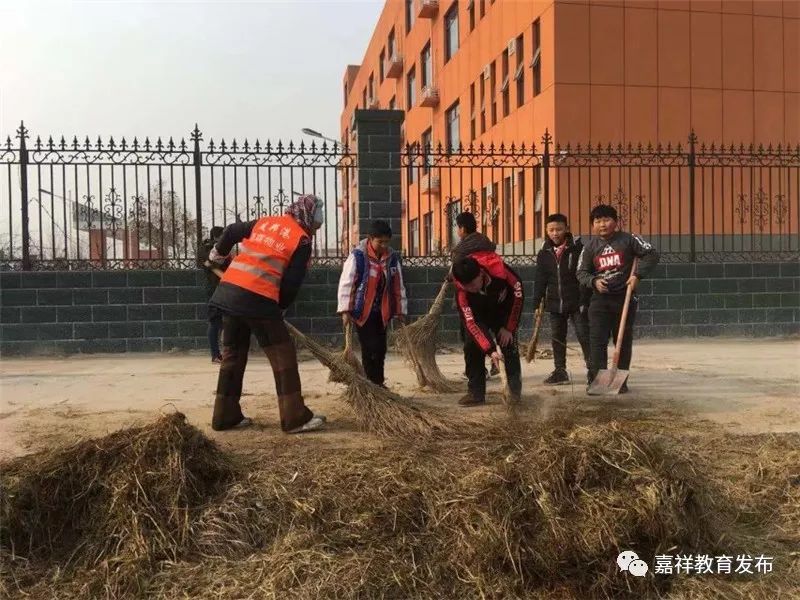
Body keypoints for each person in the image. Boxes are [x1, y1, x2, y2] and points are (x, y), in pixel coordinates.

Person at [206, 195, 326, 433]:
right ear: (308, 218)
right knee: (283, 356)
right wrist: (279, 309)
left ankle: (225, 416)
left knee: (233, 355)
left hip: (229, 294)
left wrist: (217, 255)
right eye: (315, 225)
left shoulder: (266, 222)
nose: (315, 229)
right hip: (258, 297)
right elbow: (291, 284)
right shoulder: (301, 240)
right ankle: (295, 419)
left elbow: (230, 231)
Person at [576, 204, 660, 393]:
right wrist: (594, 281)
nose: (602, 225)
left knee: (623, 340)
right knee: (597, 341)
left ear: (616, 222)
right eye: (598, 221)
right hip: (599, 301)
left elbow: (652, 254)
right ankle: (597, 380)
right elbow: (581, 272)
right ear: (593, 225)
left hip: (625, 298)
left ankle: (620, 382)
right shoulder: (590, 247)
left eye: (606, 220)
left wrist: (637, 275)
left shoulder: (629, 240)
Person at [337, 220, 407, 387]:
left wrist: (400, 310)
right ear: (370, 239)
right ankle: (371, 383)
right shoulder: (358, 256)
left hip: (382, 312)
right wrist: (345, 310)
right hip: (363, 312)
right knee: (370, 348)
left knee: (381, 349)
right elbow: (347, 283)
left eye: (386, 242)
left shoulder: (391, 258)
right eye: (379, 241)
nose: (383, 245)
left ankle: (379, 382)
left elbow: (398, 285)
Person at [451, 252, 524, 406]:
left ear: (481, 274)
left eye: (474, 283)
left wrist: (509, 328)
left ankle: (514, 394)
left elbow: (518, 294)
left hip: (503, 311)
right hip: (478, 317)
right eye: (467, 286)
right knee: (472, 346)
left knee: (509, 345)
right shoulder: (461, 292)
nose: (472, 288)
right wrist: (490, 350)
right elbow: (471, 323)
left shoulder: (500, 272)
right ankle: (475, 393)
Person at [531, 213, 592, 385]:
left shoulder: (578, 249)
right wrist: (537, 302)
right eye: (551, 230)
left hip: (576, 302)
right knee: (557, 337)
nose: (555, 233)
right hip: (554, 303)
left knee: (584, 335)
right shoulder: (544, 252)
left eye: (559, 229)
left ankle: (593, 370)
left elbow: (584, 275)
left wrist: (584, 301)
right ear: (546, 231)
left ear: (566, 229)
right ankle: (560, 371)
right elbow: (540, 279)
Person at [449, 211, 500, 380]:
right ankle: (495, 363)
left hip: (469, 298)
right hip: (490, 294)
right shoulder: (487, 243)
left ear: (462, 228)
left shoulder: (461, 249)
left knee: (471, 333)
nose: (458, 231)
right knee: (489, 329)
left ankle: (477, 372)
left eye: (458, 227)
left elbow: (456, 273)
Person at [198, 226, 229, 364]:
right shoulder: (206, 249)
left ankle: (227, 351)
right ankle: (215, 355)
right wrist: (225, 277)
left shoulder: (224, 250)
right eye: (223, 236)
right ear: (217, 237)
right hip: (214, 288)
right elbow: (209, 265)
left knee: (228, 321)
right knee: (215, 321)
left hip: (226, 287)